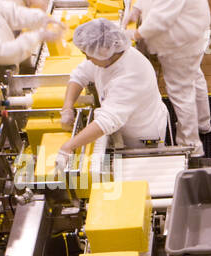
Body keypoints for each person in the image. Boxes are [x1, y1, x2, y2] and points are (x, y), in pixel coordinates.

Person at [128, 0, 211, 157]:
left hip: (181, 42)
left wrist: (134, 34)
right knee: (194, 76)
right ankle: (204, 123)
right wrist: (136, 9)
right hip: (190, 35)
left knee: (180, 92)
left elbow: (161, 19)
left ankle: (191, 145)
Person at [56, 19, 170, 168]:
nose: (87, 58)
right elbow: (80, 75)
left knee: (146, 172)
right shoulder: (108, 56)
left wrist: (68, 146)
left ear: (104, 52)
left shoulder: (130, 76)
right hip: (125, 128)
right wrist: (67, 107)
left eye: (88, 55)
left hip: (142, 137)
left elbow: (106, 121)